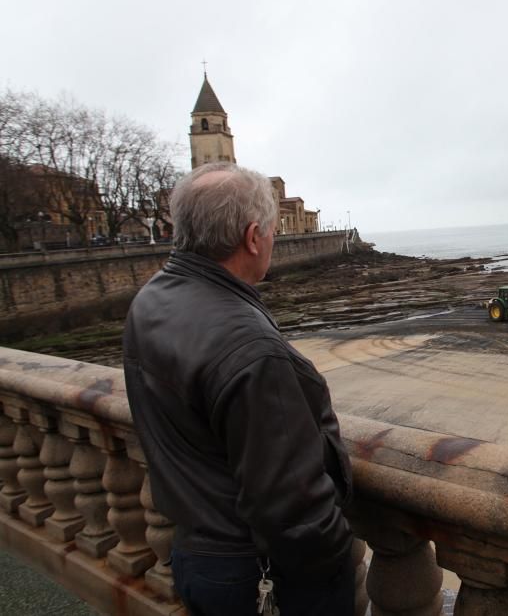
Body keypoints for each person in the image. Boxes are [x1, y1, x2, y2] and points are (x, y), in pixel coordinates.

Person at [123, 163, 355, 616]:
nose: (272, 240)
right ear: (253, 237)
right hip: (254, 575)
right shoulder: (252, 350)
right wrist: (336, 562)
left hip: (195, 552)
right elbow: (290, 507)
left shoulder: (150, 300)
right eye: (271, 231)